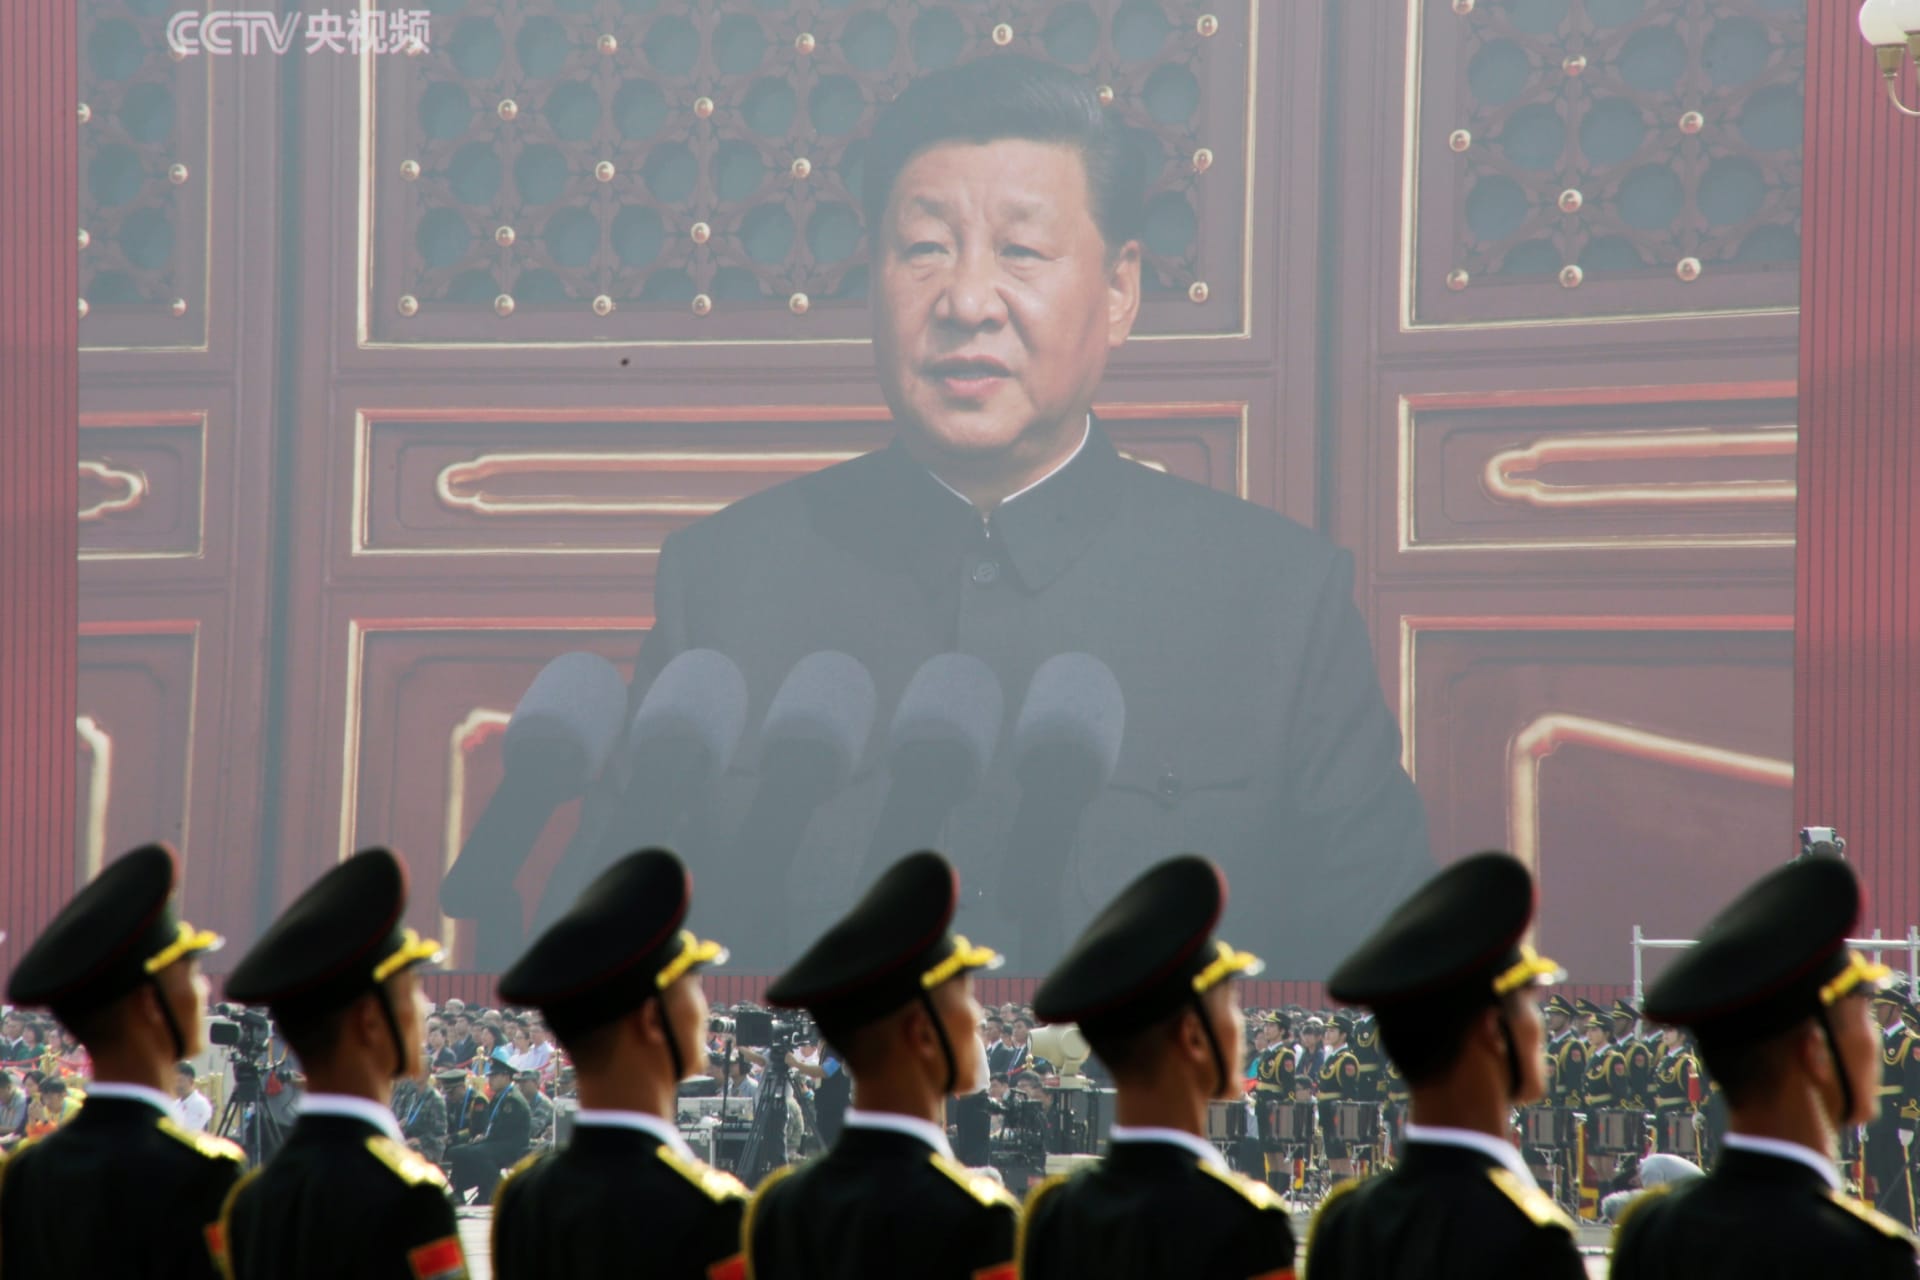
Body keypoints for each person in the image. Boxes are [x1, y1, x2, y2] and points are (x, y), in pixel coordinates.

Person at [535, 52, 1430, 975]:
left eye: (1021, 252)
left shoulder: (1277, 600)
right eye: (925, 248)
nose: (966, 302)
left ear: (1120, 290)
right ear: (873, 277)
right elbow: (597, 960)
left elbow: (1392, 983)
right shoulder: (726, 583)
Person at [1609, 857, 1919, 1278]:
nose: (1874, 1039)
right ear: (1814, 1052)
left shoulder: (1652, 1232)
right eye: (1863, 1017)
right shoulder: (1865, 1256)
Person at [1302, 851, 1584, 1279]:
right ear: (1493, 1030)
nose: (1539, 1026)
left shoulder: (1347, 1225)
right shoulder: (1529, 1236)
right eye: (1529, 1003)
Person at [745, 850, 1018, 1279]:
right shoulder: (975, 1218)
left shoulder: (783, 1207)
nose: (978, 1018)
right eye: (964, 998)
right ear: (921, 1032)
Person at [1019, 855, 1293, 1280]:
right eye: (1232, 1006)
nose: (1242, 1027)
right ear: (1193, 1036)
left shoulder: (1056, 1214)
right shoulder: (1245, 1221)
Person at [490, 848, 745, 1280]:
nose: (706, 1013)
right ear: (651, 1019)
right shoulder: (707, 1209)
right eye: (693, 988)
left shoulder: (525, 1198)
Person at [216, 847, 468, 1280]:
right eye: (412, 989)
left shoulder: (253, 1201)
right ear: (370, 1019)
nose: (425, 1009)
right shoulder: (412, 1196)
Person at [0, 844, 239, 1278]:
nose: (204, 991)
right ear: (150, 1002)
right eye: (191, 972)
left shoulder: (27, 1174)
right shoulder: (202, 1174)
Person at [1866, 978, 1920, 1227]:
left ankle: (1906, 1229)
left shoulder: (1910, 1042)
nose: (1877, 1011)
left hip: (1897, 1119)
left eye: (1882, 1006)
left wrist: (1908, 1122)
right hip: (1876, 1119)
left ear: (1897, 1009)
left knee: (1901, 1181)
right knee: (1877, 1178)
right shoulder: (1875, 1040)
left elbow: (1914, 1083)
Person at [448, 1051, 531, 1203]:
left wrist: (484, 1139)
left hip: (512, 1145)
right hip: (496, 1142)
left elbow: (504, 1131)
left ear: (506, 1077)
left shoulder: (512, 1100)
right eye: (489, 1076)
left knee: (479, 1153)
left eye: (494, 1076)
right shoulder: (500, 1097)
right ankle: (458, 1190)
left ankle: (496, 1189)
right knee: (458, 1152)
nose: (490, 1080)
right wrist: (483, 1138)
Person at [393, 1070, 449, 1163]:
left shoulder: (435, 1099)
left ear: (427, 1073)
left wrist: (420, 1140)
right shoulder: (411, 1096)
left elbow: (440, 1134)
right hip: (409, 1141)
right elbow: (408, 1121)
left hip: (429, 1148)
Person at [172, 1061, 213, 1132]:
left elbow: (191, 1132)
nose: (176, 1085)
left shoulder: (200, 1103)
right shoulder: (175, 1104)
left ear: (191, 1081)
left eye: (180, 1081)